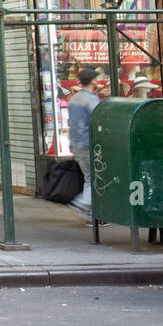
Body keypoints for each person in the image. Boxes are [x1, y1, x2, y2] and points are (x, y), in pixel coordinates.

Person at [67, 67, 103, 222]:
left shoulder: (74, 99)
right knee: (94, 177)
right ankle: (82, 203)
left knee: (88, 176)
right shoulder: (91, 100)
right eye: (96, 78)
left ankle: (90, 213)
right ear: (92, 81)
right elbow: (99, 119)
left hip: (76, 143)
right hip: (89, 143)